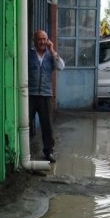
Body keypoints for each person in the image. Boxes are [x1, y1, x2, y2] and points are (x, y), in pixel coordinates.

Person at [28, 30, 64, 163]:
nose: (42, 42)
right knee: (25, 123)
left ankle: (49, 151)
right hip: (30, 95)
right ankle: (24, 151)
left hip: (46, 95)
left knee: (47, 125)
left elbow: (61, 67)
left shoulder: (51, 55)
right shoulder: (28, 54)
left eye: (44, 39)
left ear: (48, 40)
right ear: (34, 40)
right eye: (39, 39)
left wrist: (53, 50)